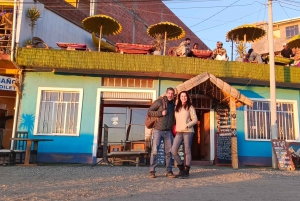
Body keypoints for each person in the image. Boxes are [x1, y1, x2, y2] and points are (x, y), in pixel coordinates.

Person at [148, 87, 176, 179]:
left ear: (174, 95)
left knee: (169, 152)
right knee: (155, 151)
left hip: (168, 131)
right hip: (158, 130)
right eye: (169, 93)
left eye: (172, 93)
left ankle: (169, 171)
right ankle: (152, 171)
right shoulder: (159, 102)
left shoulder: (174, 104)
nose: (170, 95)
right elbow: (150, 111)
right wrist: (160, 113)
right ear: (166, 93)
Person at [171, 91, 198, 179]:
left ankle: (186, 171)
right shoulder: (177, 107)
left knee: (187, 151)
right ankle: (181, 168)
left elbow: (195, 120)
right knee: (173, 150)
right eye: (182, 96)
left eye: (185, 96)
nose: (183, 97)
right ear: (179, 98)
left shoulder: (190, 107)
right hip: (179, 132)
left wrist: (187, 125)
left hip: (188, 131)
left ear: (187, 97)